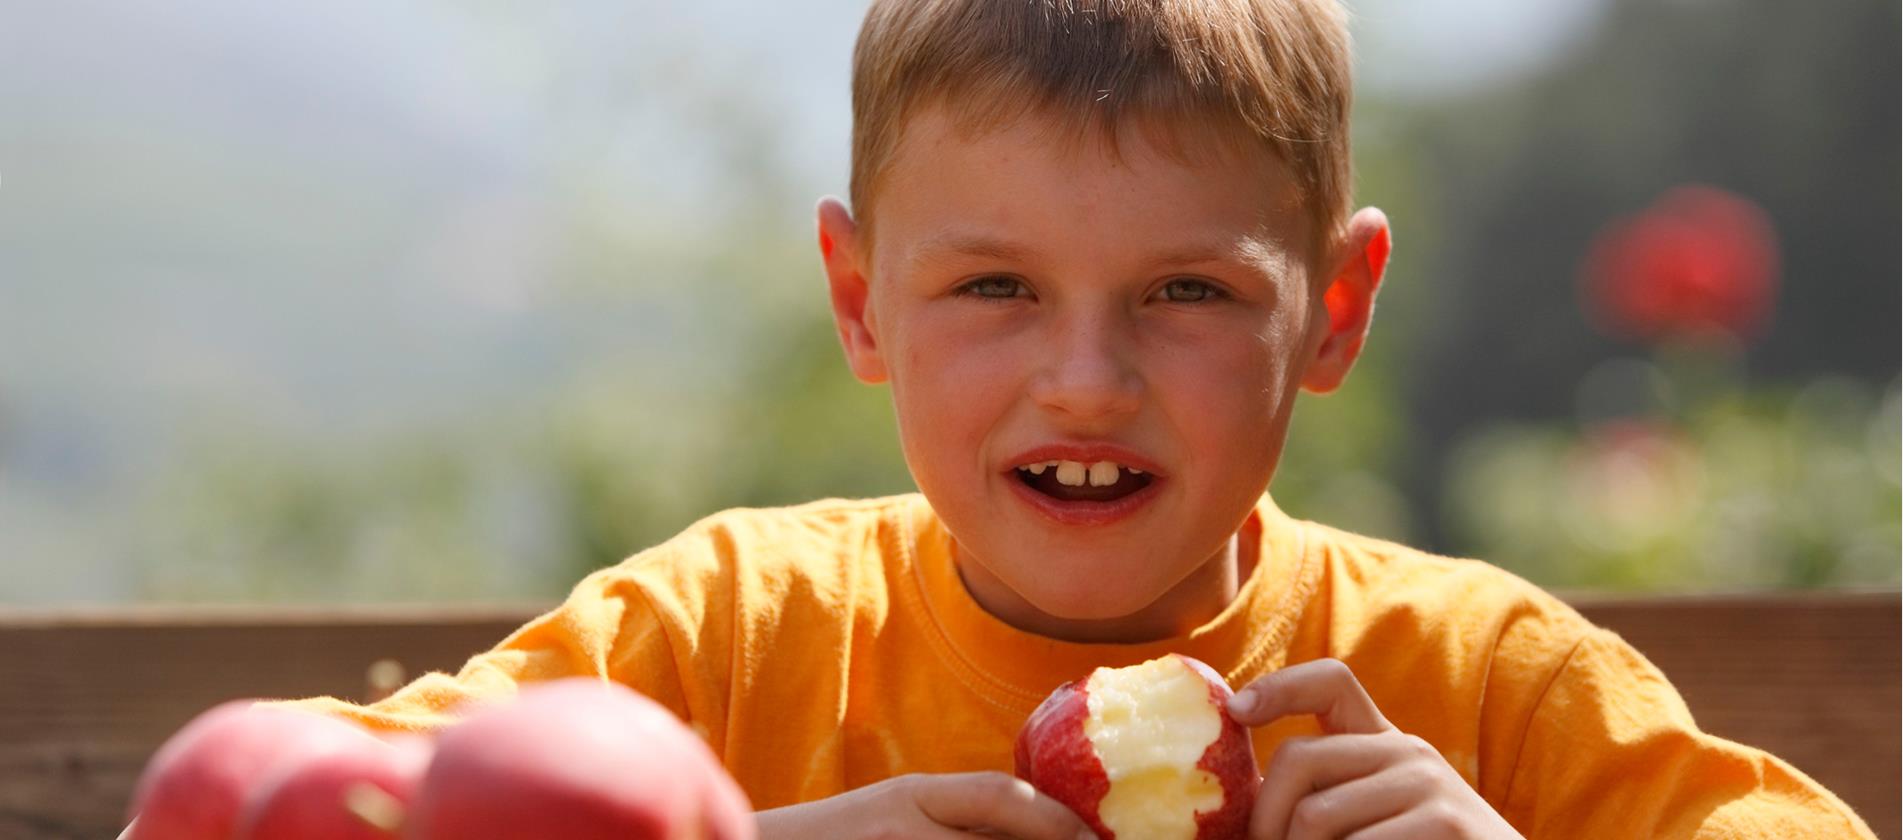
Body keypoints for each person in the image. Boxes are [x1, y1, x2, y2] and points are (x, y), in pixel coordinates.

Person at [282, 1, 1875, 837]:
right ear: (859, 302)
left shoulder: (1481, 693)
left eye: (1188, 294)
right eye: (994, 290)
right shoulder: (719, 646)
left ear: (1333, 309)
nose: (1089, 382)